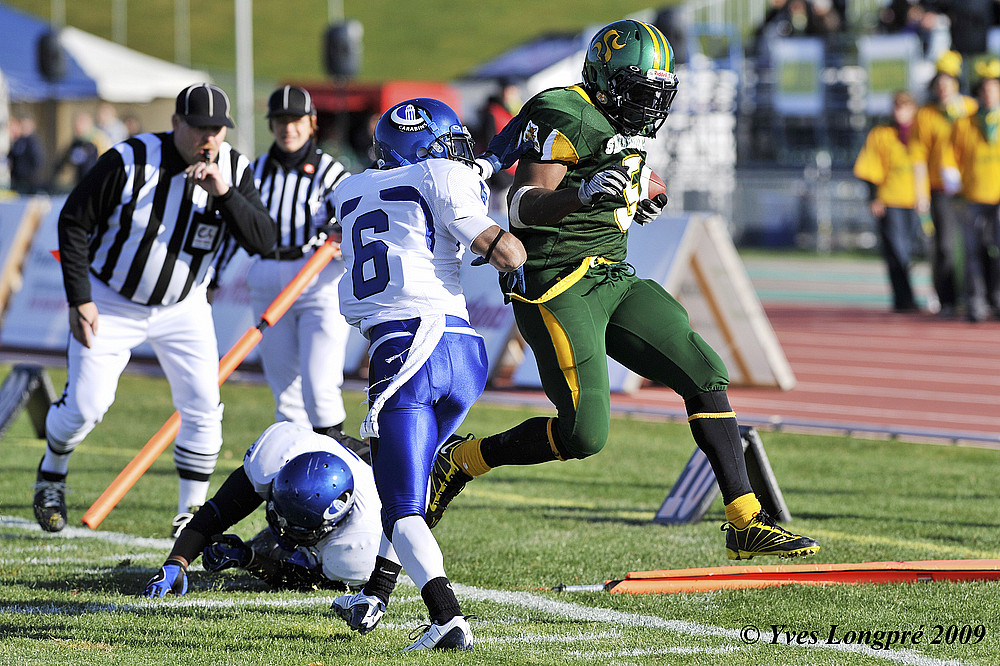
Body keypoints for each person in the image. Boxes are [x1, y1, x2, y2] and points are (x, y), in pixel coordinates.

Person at [426, 19, 820, 563]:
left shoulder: (618, 119)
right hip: (557, 286)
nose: (649, 107)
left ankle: (745, 521)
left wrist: (635, 196)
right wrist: (582, 194)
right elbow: (520, 206)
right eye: (640, 93)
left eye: (657, 95)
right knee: (584, 435)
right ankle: (463, 459)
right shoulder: (565, 113)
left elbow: (616, 175)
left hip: (612, 274)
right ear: (608, 82)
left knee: (703, 369)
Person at [35, 83, 277, 537]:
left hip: (184, 303)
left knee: (204, 406)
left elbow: (263, 239)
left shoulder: (233, 167)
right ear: (176, 124)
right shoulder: (129, 159)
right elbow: (74, 221)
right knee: (85, 406)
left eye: (218, 130)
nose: (209, 139)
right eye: (200, 128)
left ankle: (191, 515)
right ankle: (51, 473)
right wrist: (80, 297)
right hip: (112, 298)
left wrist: (224, 194)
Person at [328, 98, 525, 651]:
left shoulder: (348, 189)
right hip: (462, 350)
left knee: (402, 504)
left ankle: (446, 618)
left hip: (407, 346)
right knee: (405, 485)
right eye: (447, 144)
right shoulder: (441, 173)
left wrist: (476, 169)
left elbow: (424, 179)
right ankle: (375, 595)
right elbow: (506, 250)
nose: (456, 154)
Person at [219, 85, 358, 448]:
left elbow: (354, 215)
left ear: (311, 123)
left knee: (320, 386)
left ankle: (344, 467)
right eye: (280, 120)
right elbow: (235, 225)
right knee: (286, 396)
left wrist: (340, 228)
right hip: (267, 275)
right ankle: (292, 473)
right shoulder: (255, 170)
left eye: (295, 120)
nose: (288, 128)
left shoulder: (331, 171)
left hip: (318, 278)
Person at [143, 421, 382, 596]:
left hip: (377, 474)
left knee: (293, 557)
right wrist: (177, 561)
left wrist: (250, 559)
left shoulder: (362, 539)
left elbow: (312, 582)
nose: (283, 529)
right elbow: (219, 509)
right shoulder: (279, 458)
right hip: (341, 451)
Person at [911, 50, 977, 319]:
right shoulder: (926, 115)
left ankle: (977, 297)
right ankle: (947, 299)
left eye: (948, 80)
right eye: (939, 80)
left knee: (977, 245)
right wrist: (920, 192)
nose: (943, 85)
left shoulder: (972, 110)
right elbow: (918, 157)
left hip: (973, 189)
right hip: (941, 190)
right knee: (946, 246)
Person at [854, 91, 922, 312]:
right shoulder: (881, 134)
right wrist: (874, 197)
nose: (899, 112)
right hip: (891, 200)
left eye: (904, 107)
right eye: (896, 107)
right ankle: (903, 299)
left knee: (912, 251)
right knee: (896, 251)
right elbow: (869, 168)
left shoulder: (920, 134)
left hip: (917, 200)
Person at [950, 58, 1000, 322]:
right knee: (973, 254)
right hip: (972, 196)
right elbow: (951, 157)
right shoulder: (965, 123)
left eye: (995, 88)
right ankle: (975, 303)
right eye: (985, 89)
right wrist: (953, 183)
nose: (989, 94)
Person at [49, 111, 109, 192]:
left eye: (80, 124)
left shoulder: (98, 139)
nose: (76, 127)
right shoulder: (78, 141)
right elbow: (66, 159)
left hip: (96, 182)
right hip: (81, 182)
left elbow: (106, 161)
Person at [9, 113, 45, 194]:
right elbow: (11, 158)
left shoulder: (33, 141)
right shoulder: (17, 141)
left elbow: (38, 160)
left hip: (30, 182)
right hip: (17, 181)